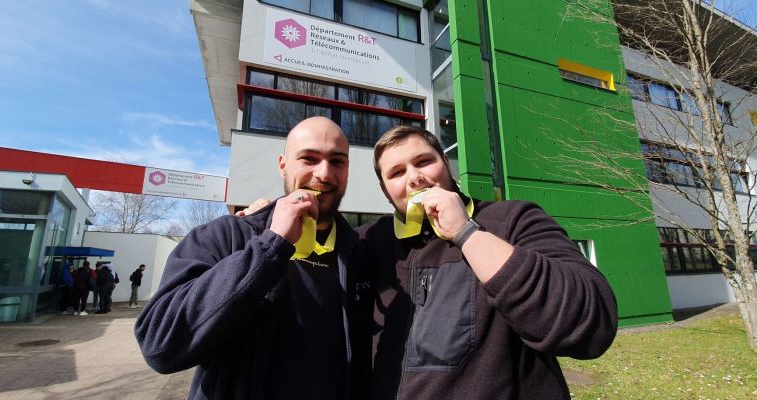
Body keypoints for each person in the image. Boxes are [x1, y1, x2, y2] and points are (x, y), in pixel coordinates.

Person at [359, 126, 618, 399]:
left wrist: (466, 233)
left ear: (446, 163)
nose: (415, 178)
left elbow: (592, 324)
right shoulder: (369, 242)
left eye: (424, 162)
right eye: (397, 173)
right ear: (385, 189)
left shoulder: (513, 219)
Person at [135, 116, 372, 399]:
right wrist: (271, 247)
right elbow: (159, 344)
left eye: (337, 161)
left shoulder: (359, 253)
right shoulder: (226, 236)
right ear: (283, 165)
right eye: (309, 158)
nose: (324, 173)